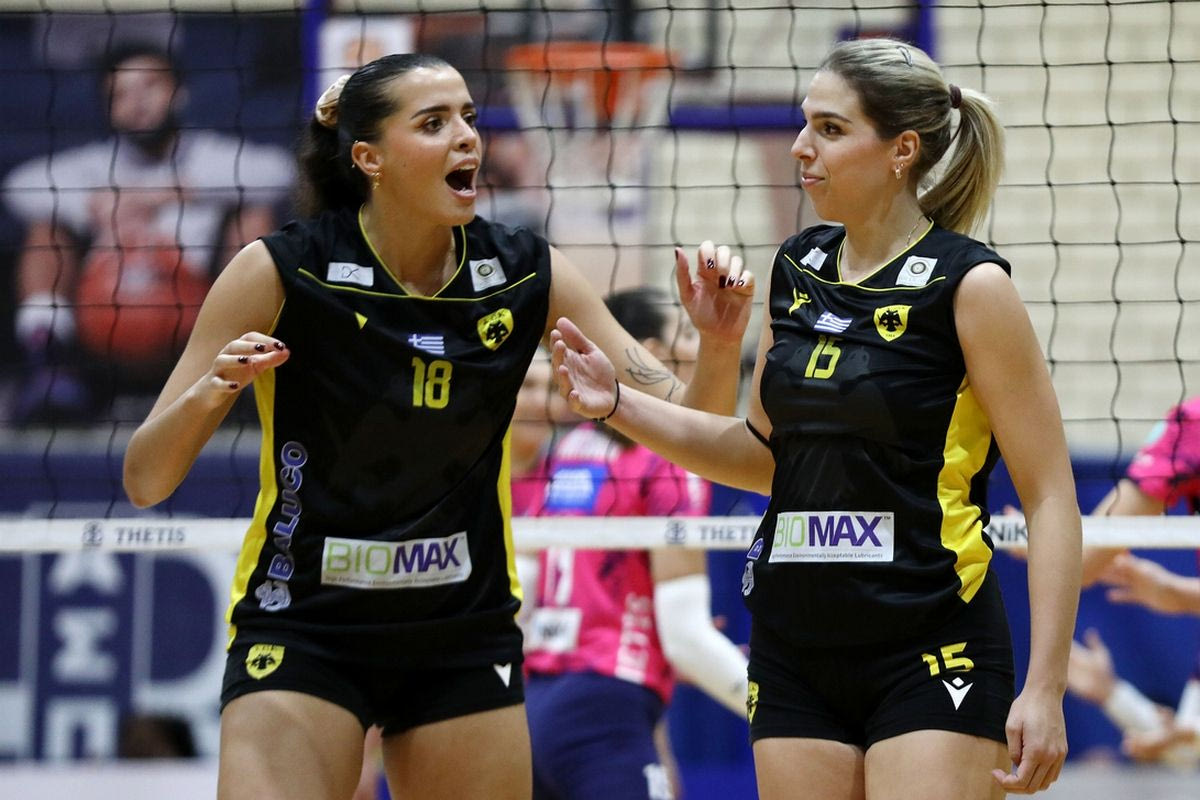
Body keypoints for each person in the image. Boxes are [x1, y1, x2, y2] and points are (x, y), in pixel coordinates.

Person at [122, 53, 752, 800]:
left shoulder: (525, 271)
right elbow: (145, 479)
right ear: (370, 158)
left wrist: (719, 342)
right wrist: (211, 392)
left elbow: (696, 431)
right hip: (307, 621)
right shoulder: (283, 270)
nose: (466, 138)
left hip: (461, 628)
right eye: (433, 123)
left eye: (468, 118)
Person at [550, 37, 1082, 798]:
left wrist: (1046, 686)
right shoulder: (796, 269)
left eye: (830, 129)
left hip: (932, 636)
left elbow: (1051, 496)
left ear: (901, 150)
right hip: (794, 648)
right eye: (806, 123)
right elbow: (760, 456)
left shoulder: (971, 286)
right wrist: (617, 402)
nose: (802, 146)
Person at [523, 287, 749, 800]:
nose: (696, 346)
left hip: (537, 709)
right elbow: (686, 637)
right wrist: (778, 705)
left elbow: (526, 600)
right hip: (606, 713)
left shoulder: (569, 452)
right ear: (650, 354)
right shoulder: (665, 463)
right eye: (686, 333)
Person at [3, 42, 293, 422]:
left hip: (195, 317)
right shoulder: (92, 164)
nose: (137, 102)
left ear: (179, 91)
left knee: (253, 220)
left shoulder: (211, 154)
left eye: (150, 86)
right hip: (101, 314)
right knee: (46, 232)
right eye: (120, 94)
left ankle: (247, 367)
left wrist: (165, 193)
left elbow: (280, 173)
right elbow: (17, 186)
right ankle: (49, 364)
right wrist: (94, 206)